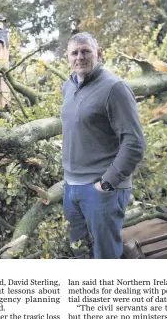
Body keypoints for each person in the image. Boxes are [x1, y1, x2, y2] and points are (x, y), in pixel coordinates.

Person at [61, 32, 146, 259]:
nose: (80, 56)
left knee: (105, 257)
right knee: (79, 253)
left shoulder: (114, 88)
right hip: (72, 187)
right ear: (68, 57)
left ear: (98, 54)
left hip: (101, 188)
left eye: (86, 51)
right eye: (75, 52)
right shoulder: (68, 87)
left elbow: (135, 143)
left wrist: (106, 184)